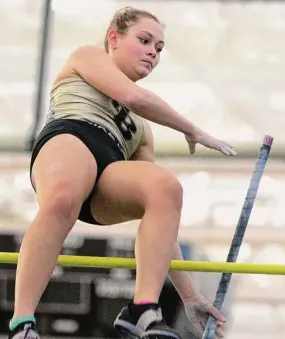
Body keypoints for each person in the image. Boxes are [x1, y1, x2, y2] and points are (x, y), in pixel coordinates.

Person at [8, 6, 236, 339]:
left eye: (158, 49)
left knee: (165, 188)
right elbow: (132, 95)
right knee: (62, 200)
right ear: (113, 38)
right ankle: (22, 323)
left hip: (108, 173)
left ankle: (142, 308)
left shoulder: (141, 128)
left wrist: (188, 295)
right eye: (144, 41)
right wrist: (194, 130)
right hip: (72, 138)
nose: (152, 53)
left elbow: (162, 220)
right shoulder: (87, 57)